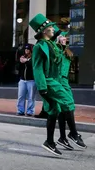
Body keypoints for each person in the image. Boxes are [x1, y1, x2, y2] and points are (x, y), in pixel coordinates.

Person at [29, 14, 86, 156]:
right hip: (49, 81)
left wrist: (63, 43)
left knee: (55, 110)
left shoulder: (52, 44)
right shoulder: (40, 47)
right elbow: (37, 68)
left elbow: (61, 53)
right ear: (44, 30)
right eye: (50, 27)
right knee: (68, 102)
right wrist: (42, 88)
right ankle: (72, 133)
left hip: (56, 80)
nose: (54, 29)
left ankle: (50, 141)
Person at [53, 26, 86, 150]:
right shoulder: (56, 48)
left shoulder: (68, 50)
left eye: (67, 37)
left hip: (64, 80)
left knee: (63, 109)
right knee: (68, 105)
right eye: (63, 36)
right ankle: (73, 133)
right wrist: (60, 46)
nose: (66, 39)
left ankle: (63, 137)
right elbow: (55, 61)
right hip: (58, 80)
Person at [16, 44, 36, 116]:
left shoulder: (34, 57)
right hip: (22, 80)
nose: (26, 50)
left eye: (28, 49)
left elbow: (32, 64)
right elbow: (18, 68)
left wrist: (26, 61)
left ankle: (30, 111)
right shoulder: (23, 57)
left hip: (31, 80)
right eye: (25, 49)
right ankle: (20, 110)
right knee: (21, 96)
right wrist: (20, 61)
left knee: (31, 97)